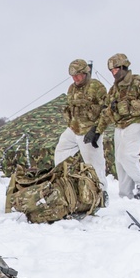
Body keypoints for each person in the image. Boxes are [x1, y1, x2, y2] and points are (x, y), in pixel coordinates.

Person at [102, 53, 140, 199]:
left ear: (122, 67)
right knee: (119, 160)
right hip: (119, 125)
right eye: (111, 71)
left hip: (136, 122)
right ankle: (125, 194)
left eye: (115, 69)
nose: (113, 73)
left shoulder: (138, 82)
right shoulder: (114, 89)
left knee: (127, 155)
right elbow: (106, 108)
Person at [56, 58, 109, 192]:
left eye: (78, 75)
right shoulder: (72, 88)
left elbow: (107, 111)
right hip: (74, 128)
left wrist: (97, 130)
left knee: (94, 165)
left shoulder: (96, 87)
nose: (75, 78)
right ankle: (65, 185)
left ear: (85, 73)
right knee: (61, 151)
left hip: (90, 129)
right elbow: (69, 107)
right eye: (73, 76)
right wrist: (70, 122)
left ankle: (101, 192)